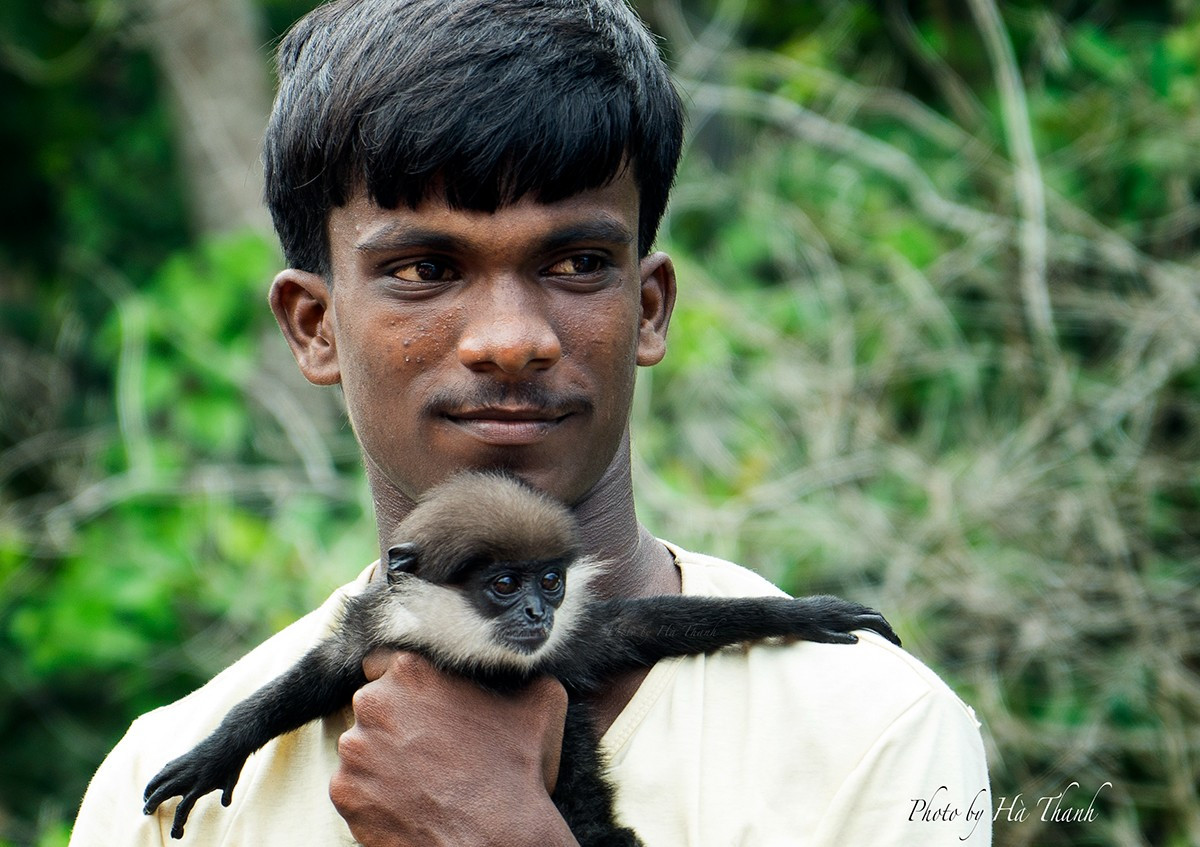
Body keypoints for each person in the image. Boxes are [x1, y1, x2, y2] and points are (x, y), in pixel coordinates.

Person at [69, 0, 991, 844]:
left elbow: (652, 632)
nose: (510, 342)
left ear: (652, 307)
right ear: (314, 328)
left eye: (578, 260)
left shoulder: (872, 733)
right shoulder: (159, 799)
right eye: (425, 269)